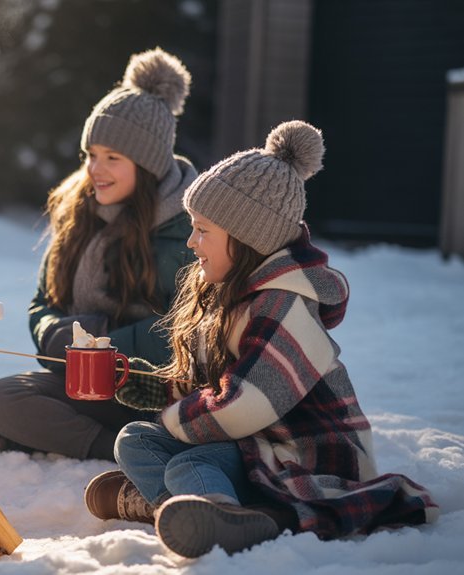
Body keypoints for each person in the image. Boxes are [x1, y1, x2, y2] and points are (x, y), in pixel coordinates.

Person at [86, 121, 438, 557]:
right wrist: (146, 385)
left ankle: (216, 515)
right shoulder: (225, 293)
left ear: (247, 238)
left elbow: (243, 404)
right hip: (247, 440)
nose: (192, 242)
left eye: (203, 230)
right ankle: (189, 511)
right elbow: (212, 387)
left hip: (300, 453)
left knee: (190, 463)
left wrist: (177, 418)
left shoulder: (285, 306)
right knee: (135, 439)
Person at [0, 48, 199, 460]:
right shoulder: (79, 213)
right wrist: (52, 333)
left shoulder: (188, 230)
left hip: (156, 391)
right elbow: (44, 300)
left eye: (112, 158)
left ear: (149, 165)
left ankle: (130, 446)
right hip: (84, 384)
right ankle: (112, 445)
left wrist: (104, 342)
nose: (96, 170)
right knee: (1, 398)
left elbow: (188, 331)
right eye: (91, 155)